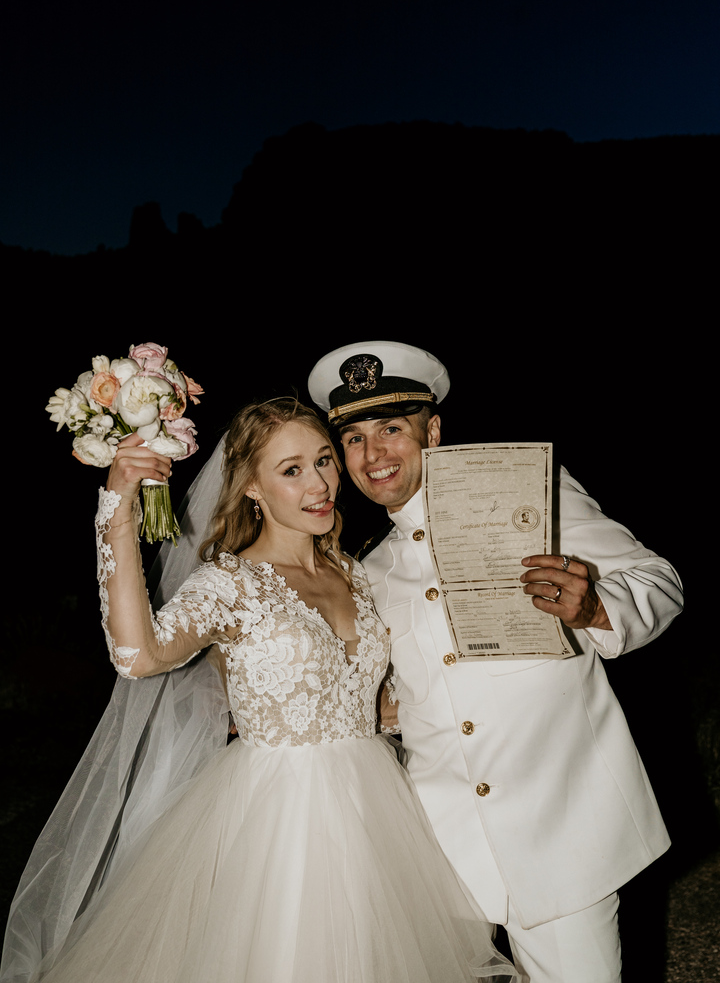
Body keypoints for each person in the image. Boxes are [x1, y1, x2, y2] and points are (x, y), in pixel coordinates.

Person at [1, 398, 517, 983]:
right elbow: (137, 656)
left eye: (323, 460)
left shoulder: (353, 572)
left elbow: (374, 702)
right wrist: (117, 508)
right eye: (291, 470)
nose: (320, 485)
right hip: (279, 820)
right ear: (251, 486)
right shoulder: (231, 583)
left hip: (379, 812)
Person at [308, 342, 684, 983]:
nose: (373, 455)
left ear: (432, 432)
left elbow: (660, 581)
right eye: (354, 439)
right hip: (438, 851)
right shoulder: (364, 571)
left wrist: (598, 607)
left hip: (560, 828)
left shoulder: (529, 498)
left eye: (391, 428)